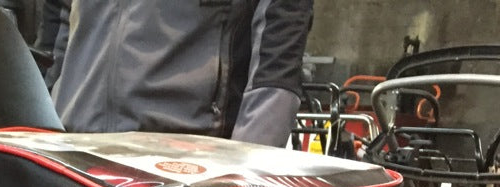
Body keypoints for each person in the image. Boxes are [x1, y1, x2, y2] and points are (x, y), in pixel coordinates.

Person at [50, 0, 314, 148]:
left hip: (188, 160)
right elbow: (60, 23)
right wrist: (41, 129)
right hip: (73, 152)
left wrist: (248, 176)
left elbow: (279, 46)